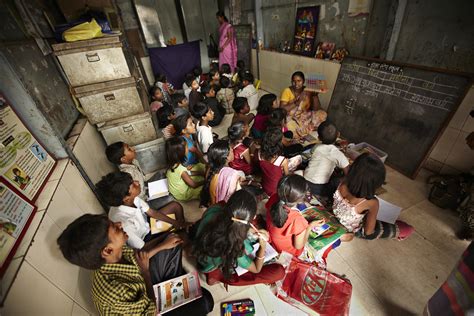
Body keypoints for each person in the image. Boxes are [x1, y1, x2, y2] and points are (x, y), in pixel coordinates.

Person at [57, 214, 214, 315]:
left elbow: (139, 258)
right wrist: (146, 273)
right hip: (150, 306)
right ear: (107, 250)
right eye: (114, 228)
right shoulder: (115, 291)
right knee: (206, 301)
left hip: (146, 285)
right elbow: (152, 310)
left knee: (171, 240)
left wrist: (162, 246)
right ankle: (175, 283)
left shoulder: (115, 253)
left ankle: (174, 280)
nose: (119, 224)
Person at [193, 190, 285, 286]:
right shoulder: (234, 245)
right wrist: (263, 247)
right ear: (253, 217)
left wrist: (247, 230)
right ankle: (215, 276)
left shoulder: (214, 208)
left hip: (200, 251)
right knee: (279, 272)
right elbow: (256, 269)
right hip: (209, 266)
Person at [95, 172, 188, 249]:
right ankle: (182, 234)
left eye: (133, 180)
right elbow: (144, 247)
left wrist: (174, 222)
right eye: (133, 185)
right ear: (126, 198)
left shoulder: (130, 199)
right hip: (146, 239)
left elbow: (152, 212)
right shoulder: (124, 224)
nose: (137, 182)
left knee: (175, 206)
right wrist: (169, 233)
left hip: (146, 224)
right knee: (178, 238)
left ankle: (181, 227)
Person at [333, 153, 414, 241]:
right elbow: (368, 231)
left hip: (335, 216)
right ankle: (403, 232)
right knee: (408, 228)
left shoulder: (343, 182)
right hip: (350, 229)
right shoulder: (371, 202)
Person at [266, 175, 325, 258]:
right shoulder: (297, 220)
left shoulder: (274, 197)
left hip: (275, 242)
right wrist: (310, 226)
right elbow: (298, 246)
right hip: (289, 253)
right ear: (300, 199)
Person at [304, 121, 349, 199]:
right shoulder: (338, 154)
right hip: (319, 188)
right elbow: (348, 172)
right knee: (337, 180)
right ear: (338, 135)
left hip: (305, 182)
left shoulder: (316, 147)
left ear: (318, 138)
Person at [280, 71, 327, 137]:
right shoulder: (287, 91)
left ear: (303, 81)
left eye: (299, 81)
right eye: (294, 81)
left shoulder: (307, 90)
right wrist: (296, 103)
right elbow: (281, 109)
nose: (296, 84)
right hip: (291, 117)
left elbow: (316, 108)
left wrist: (315, 96)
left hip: (304, 116)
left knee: (322, 114)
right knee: (287, 126)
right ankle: (307, 128)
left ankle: (304, 128)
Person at [200, 140, 245, 207]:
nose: (233, 150)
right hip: (222, 208)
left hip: (213, 204)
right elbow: (235, 196)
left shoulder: (210, 168)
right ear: (227, 157)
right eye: (231, 150)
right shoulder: (231, 174)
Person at [165, 136, 205, 201]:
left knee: (198, 167)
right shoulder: (180, 168)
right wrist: (206, 181)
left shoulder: (172, 164)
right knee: (205, 188)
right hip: (183, 194)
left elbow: (186, 173)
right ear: (181, 152)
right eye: (187, 147)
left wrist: (200, 173)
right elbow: (194, 185)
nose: (188, 149)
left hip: (178, 187)